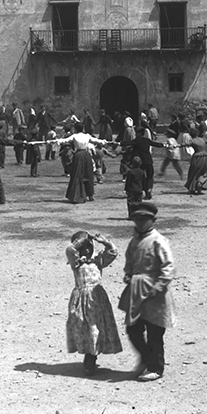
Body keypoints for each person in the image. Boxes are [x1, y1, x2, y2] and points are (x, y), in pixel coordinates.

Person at [117, 202, 175, 382]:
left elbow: (168, 267)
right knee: (133, 328)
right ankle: (145, 357)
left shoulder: (158, 240)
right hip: (137, 289)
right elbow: (129, 261)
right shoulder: (134, 240)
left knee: (154, 332)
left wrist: (158, 286)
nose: (140, 223)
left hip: (155, 291)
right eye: (136, 219)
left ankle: (156, 367)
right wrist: (128, 274)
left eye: (144, 219)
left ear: (153, 220)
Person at [65, 230, 123, 376]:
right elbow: (69, 249)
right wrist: (83, 239)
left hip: (97, 299)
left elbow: (113, 252)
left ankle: (91, 358)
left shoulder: (98, 260)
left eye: (89, 245)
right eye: (83, 246)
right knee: (85, 328)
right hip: (82, 299)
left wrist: (104, 241)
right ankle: (88, 357)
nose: (87, 248)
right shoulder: (76, 262)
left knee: (96, 327)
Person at [49, 122, 110, 204]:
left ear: (76, 129)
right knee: (88, 174)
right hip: (86, 155)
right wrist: (103, 141)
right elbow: (96, 140)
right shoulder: (87, 136)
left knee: (77, 174)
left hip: (78, 155)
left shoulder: (75, 136)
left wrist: (57, 141)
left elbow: (65, 140)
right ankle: (90, 194)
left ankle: (78, 195)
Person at [122, 127, 166, 200]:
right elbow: (156, 144)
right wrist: (164, 145)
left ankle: (142, 190)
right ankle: (149, 189)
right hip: (148, 160)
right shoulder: (147, 140)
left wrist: (119, 143)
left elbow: (128, 143)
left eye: (137, 133)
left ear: (140, 133)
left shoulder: (137, 141)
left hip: (140, 162)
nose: (136, 134)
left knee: (140, 177)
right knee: (150, 176)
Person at [183, 128, 207, 195]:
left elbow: (186, 144)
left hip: (196, 158)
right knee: (203, 172)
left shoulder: (192, 141)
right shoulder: (203, 139)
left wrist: (177, 145)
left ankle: (192, 188)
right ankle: (200, 182)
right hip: (204, 157)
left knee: (193, 173)